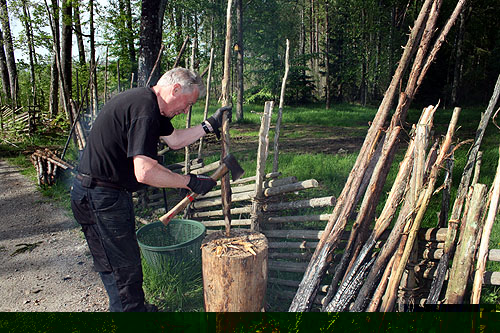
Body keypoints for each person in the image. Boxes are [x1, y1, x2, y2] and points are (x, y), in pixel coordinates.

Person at [70, 67, 231, 312]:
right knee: (122, 268)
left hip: (98, 193)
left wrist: (209, 125)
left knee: (120, 263)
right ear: (175, 89)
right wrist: (188, 181)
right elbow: (144, 172)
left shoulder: (148, 104)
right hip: (100, 196)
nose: (186, 110)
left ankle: (133, 309)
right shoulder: (145, 110)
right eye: (187, 104)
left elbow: (175, 140)